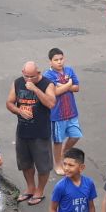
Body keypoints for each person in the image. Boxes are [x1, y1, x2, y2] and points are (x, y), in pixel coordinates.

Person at [7, 60, 57, 205]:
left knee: (43, 165)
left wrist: (35, 89)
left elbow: (51, 103)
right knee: (25, 163)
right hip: (23, 131)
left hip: (40, 132)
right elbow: (9, 103)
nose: (28, 79)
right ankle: (30, 188)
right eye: (26, 76)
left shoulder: (47, 84)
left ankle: (39, 191)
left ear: (38, 73)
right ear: (22, 73)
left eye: (32, 76)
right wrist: (19, 111)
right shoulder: (17, 82)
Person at [45, 47, 82, 175]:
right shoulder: (48, 75)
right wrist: (68, 84)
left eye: (61, 59)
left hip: (71, 112)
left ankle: (63, 154)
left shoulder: (69, 70)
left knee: (76, 135)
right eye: (56, 60)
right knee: (58, 141)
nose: (59, 62)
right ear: (50, 61)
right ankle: (58, 165)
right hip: (57, 115)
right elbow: (54, 92)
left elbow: (77, 87)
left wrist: (64, 86)